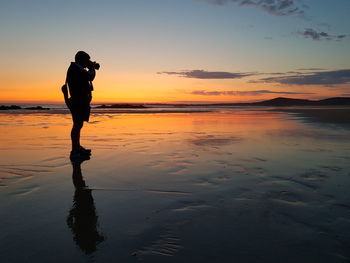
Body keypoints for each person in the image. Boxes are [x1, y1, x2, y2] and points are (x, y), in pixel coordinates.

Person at [65, 51, 99, 159]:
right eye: (86, 60)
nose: (87, 63)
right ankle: (75, 151)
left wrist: (90, 67)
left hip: (79, 101)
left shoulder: (76, 68)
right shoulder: (76, 69)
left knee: (78, 125)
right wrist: (92, 68)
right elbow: (90, 76)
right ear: (80, 60)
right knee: (77, 125)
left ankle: (77, 148)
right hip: (78, 101)